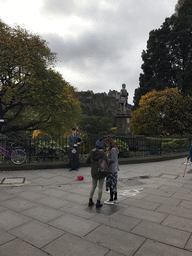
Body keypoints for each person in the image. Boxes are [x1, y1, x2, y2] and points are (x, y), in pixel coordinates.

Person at [86, 137, 109, 208]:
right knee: (100, 187)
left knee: (93, 186)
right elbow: (107, 163)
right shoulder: (103, 154)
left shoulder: (91, 153)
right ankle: (98, 202)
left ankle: (90, 200)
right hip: (101, 173)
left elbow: (87, 161)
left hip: (94, 173)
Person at [104, 136, 119, 205]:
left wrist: (106, 159)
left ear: (109, 143)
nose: (105, 144)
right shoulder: (112, 149)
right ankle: (115, 198)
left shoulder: (113, 149)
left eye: (106, 143)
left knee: (111, 184)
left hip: (112, 169)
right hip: (113, 169)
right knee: (114, 184)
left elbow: (113, 159)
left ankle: (111, 199)